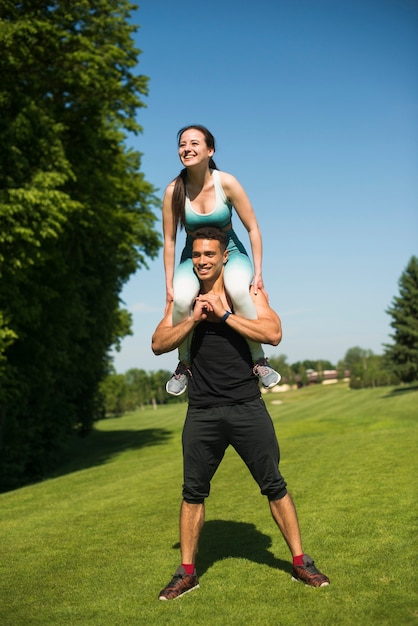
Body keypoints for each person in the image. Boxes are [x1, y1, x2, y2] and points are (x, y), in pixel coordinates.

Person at [152, 227, 330, 600]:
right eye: (197, 255)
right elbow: (158, 343)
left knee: (274, 485)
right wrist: (196, 319)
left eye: (210, 254)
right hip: (201, 412)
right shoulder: (185, 301)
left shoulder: (246, 293)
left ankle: (301, 562)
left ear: (224, 257)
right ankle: (187, 573)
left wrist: (226, 314)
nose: (203, 260)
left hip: (247, 407)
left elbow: (274, 332)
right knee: (192, 493)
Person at [162, 124, 280, 396]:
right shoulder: (173, 191)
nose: (186, 149)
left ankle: (258, 360)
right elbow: (169, 240)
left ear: (210, 150)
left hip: (232, 252)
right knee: (181, 299)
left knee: (239, 290)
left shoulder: (226, 182)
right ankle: (184, 363)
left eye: (193, 143)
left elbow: (253, 228)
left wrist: (259, 273)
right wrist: (168, 285)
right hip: (193, 255)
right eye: (182, 144)